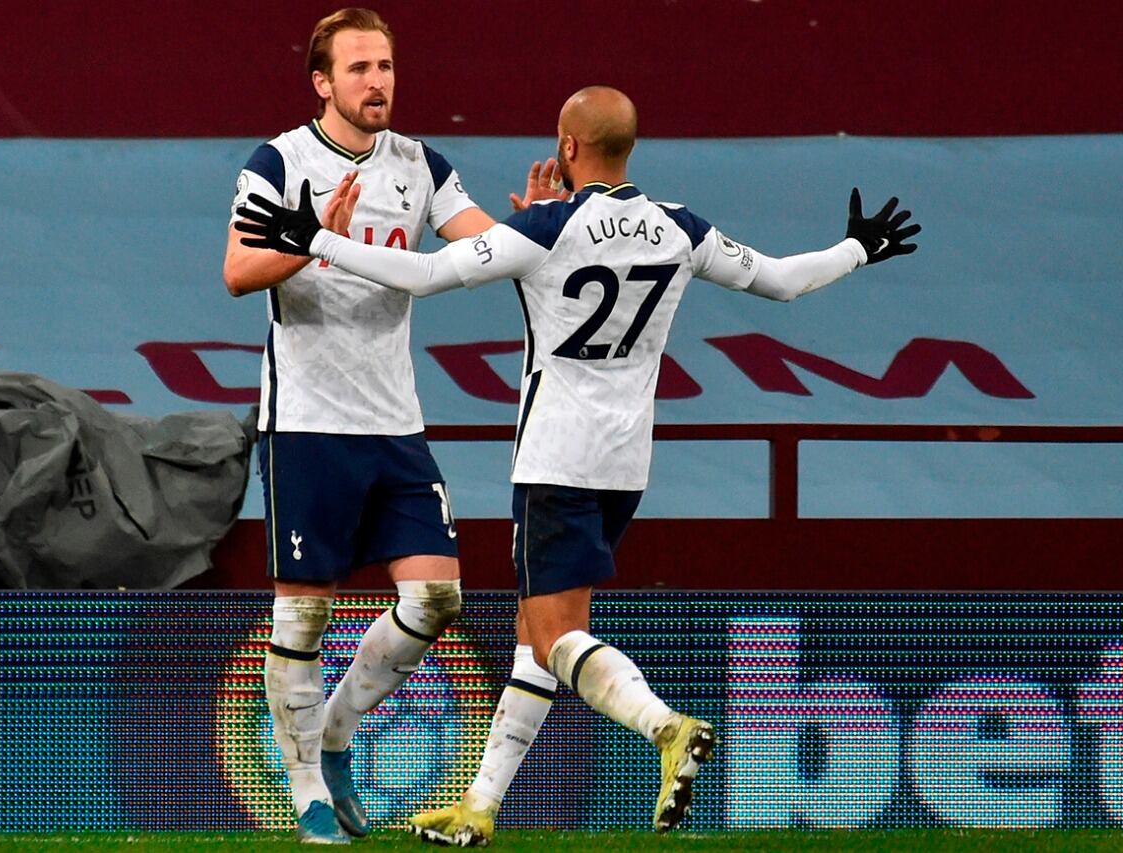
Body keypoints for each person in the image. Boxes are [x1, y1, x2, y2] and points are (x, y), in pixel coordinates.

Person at [235, 85, 920, 845]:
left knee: (557, 635)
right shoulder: (677, 227)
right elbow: (785, 280)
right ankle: (480, 806)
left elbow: (426, 275)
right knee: (537, 637)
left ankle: (665, 725)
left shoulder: (548, 226)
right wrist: (859, 246)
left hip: (557, 455)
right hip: (627, 463)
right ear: (630, 147)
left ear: (566, 148)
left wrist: (320, 241)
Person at [222, 7, 565, 846]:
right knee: (303, 616)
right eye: (360, 68)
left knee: (437, 595)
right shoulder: (281, 161)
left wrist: (540, 228)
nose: (378, 80)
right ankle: (304, 789)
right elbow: (238, 272)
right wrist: (316, 242)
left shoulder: (419, 163)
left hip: (394, 422)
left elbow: (479, 247)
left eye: (387, 65)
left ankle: (334, 735)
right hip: (307, 422)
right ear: (323, 82)